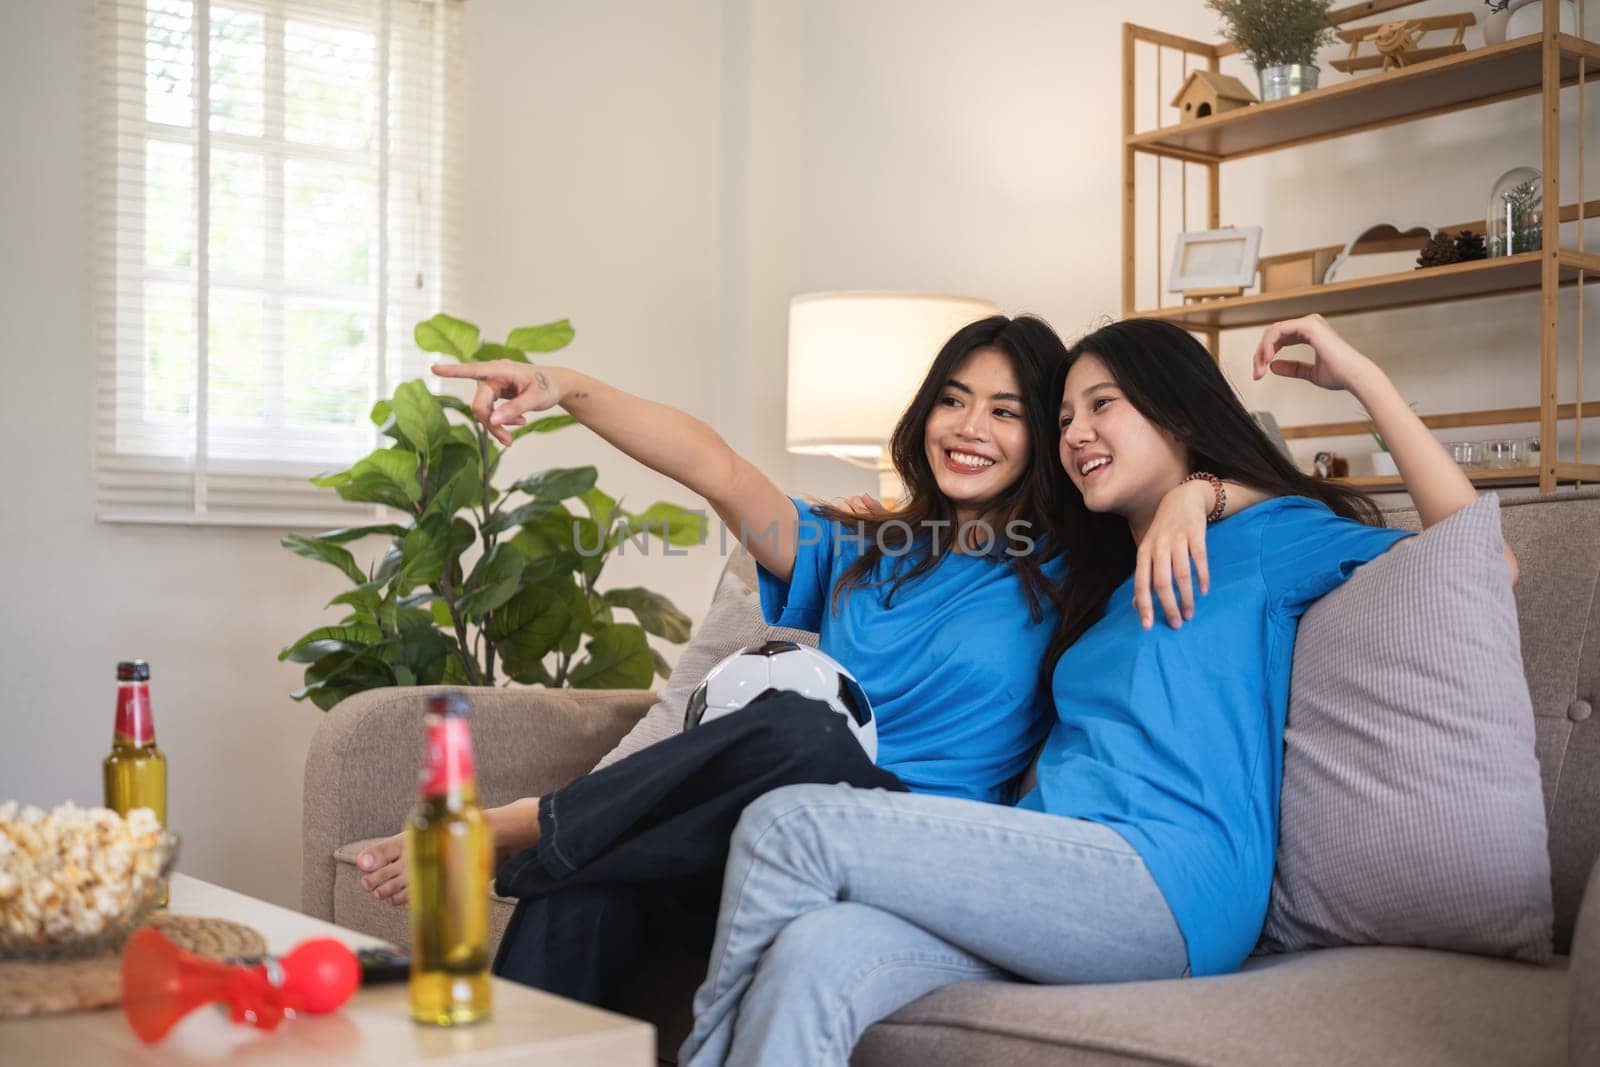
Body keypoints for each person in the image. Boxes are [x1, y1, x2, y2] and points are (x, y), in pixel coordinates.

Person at [677, 313, 1517, 1066]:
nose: (1075, 432)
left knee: (792, 823)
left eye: (1101, 405)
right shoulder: (1096, 578)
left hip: (1166, 874)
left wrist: (1348, 394)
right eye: (1066, 416)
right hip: (1059, 869)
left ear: (1179, 413)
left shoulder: (1265, 541)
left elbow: (1483, 567)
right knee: (817, 953)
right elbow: (952, 540)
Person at [352, 314, 1259, 1008]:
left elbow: (1261, 483)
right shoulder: (862, 551)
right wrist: (565, 385)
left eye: (1007, 410)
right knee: (583, 890)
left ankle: (515, 827)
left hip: (912, 857)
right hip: (760, 847)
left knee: (805, 727)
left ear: (1050, 438)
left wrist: (1196, 492)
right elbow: (718, 468)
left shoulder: (1079, 564)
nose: (968, 425)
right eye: (952, 398)